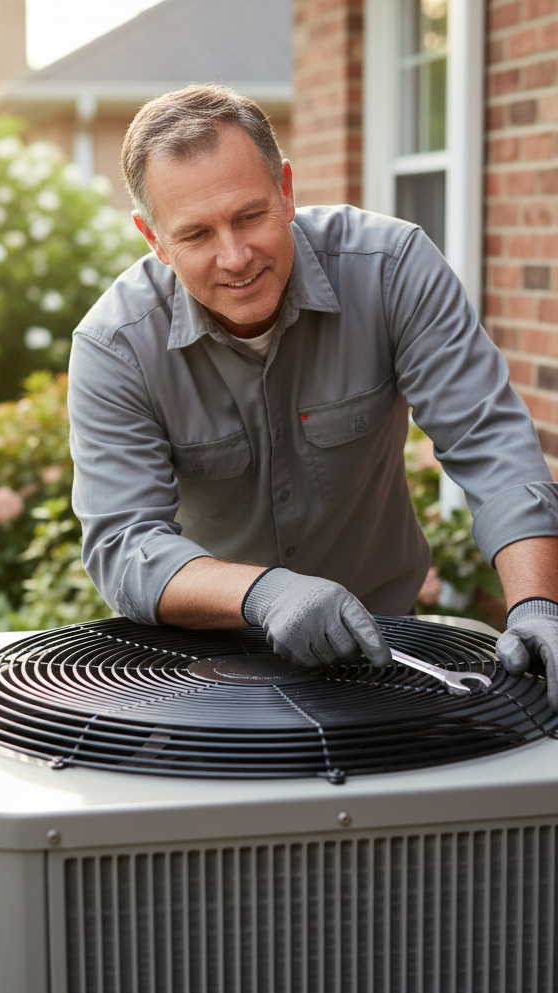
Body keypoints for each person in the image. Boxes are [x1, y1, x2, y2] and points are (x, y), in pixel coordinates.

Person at [68, 83, 558, 707]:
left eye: (250, 215)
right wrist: (265, 593)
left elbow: (490, 444)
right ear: (153, 237)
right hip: (203, 665)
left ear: (287, 191)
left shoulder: (393, 268)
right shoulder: (115, 346)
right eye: (195, 235)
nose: (235, 256)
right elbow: (124, 544)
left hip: (389, 647)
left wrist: (539, 603)